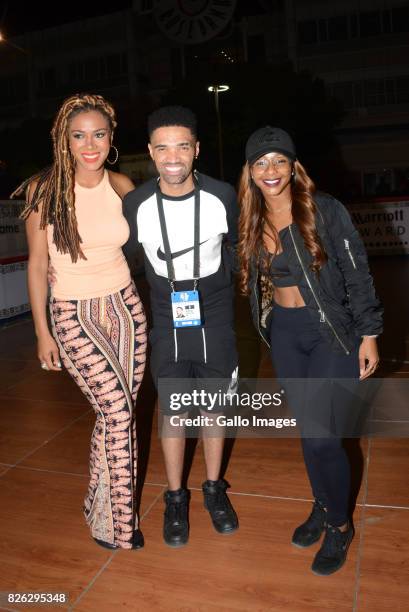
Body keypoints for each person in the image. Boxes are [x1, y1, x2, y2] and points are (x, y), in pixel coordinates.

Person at [238, 126, 383, 575]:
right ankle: (323, 504)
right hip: (284, 334)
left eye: (279, 160)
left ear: (293, 166)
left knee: (323, 435)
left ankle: (340, 525)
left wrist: (369, 333)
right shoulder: (248, 220)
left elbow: (357, 273)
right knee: (308, 433)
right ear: (250, 172)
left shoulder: (324, 210)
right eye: (260, 163)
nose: (270, 170)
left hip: (329, 334)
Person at [12, 93, 147, 550]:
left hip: (126, 309)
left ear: (111, 138)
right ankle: (117, 527)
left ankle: (100, 504)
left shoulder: (124, 185)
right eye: (78, 135)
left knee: (117, 417)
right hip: (72, 313)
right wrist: (41, 332)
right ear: (63, 140)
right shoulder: (43, 191)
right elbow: (36, 265)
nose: (89, 144)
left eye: (99, 134)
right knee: (117, 412)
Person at [122, 106, 239, 547]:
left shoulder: (222, 195)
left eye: (183, 146)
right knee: (172, 408)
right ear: (151, 152)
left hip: (214, 307)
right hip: (166, 307)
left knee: (213, 405)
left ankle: (213, 489)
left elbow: (237, 247)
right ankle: (175, 497)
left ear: (196, 150)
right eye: (163, 147)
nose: (173, 156)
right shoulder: (135, 204)